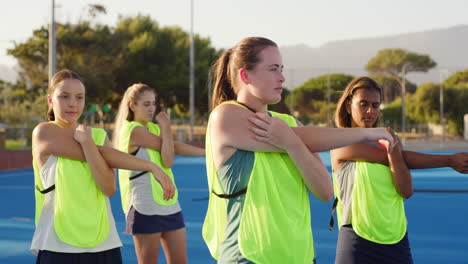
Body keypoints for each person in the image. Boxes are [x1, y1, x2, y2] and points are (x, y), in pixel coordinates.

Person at [203, 37, 397, 264]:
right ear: (246, 75)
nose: (282, 77)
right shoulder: (226, 116)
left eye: (282, 69)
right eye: (273, 69)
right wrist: (367, 133)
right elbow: (304, 137)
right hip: (249, 256)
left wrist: (292, 144)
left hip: (301, 256)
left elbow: (325, 191)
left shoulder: (289, 125)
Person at [31, 70, 175, 264]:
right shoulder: (44, 132)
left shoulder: (98, 136)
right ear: (50, 100)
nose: (72, 103)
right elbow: (103, 154)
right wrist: (151, 166)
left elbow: (108, 188)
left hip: (104, 244)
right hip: (57, 244)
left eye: (79, 97)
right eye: (64, 96)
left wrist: (88, 143)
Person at [330, 76, 468, 264]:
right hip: (357, 241)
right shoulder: (340, 141)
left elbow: (406, 191)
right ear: (348, 106)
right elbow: (398, 158)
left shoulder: (390, 142)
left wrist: (392, 146)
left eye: (375, 105)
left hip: (396, 239)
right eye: (363, 104)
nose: (370, 111)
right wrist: (449, 160)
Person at [112, 83, 204, 264]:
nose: (151, 108)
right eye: (146, 104)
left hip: (169, 202)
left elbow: (171, 149)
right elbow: (169, 158)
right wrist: (166, 127)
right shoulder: (132, 130)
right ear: (132, 105)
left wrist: (209, 152)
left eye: (153, 103)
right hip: (144, 205)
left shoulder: (153, 129)